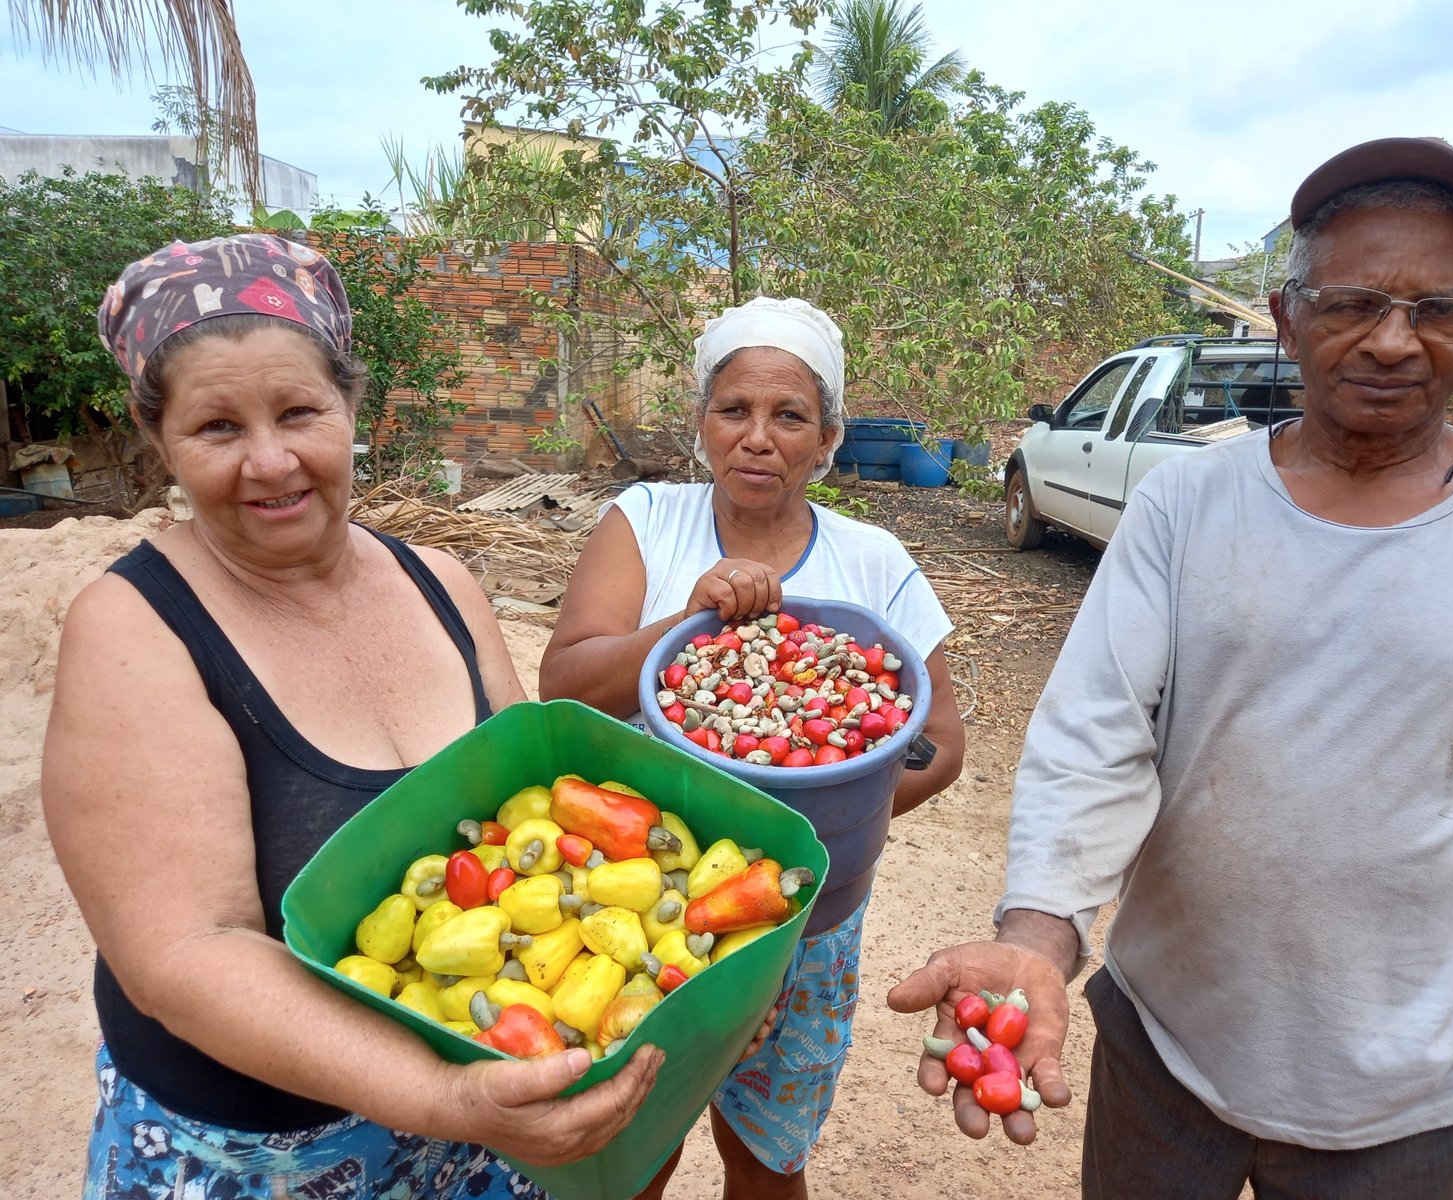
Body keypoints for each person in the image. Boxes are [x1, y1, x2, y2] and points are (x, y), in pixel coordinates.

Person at [889, 137, 1453, 1200]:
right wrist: (1039, 935)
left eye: (1439, 311)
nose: (1392, 342)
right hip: (1164, 1043)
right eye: (1352, 301)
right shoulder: (1187, 505)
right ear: (1286, 316)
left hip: (1396, 1090)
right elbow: (1097, 734)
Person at [44, 232, 661, 1200]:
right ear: (154, 432)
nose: (271, 461)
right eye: (216, 428)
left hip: (480, 1119)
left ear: (350, 403)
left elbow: (530, 820)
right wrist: (437, 1095)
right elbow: (181, 953)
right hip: (262, 1157)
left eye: (299, 411)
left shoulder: (442, 585)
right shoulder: (134, 630)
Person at [540, 295, 966, 1197]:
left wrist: (825, 823)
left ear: (830, 437)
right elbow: (567, 682)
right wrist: (690, 619)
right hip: (642, 899)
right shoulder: (646, 519)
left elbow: (938, 742)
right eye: (733, 410)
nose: (758, 437)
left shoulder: (875, 560)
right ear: (701, 424)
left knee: (769, 1154)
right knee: (631, 1147)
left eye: (790, 416)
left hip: (803, 916)